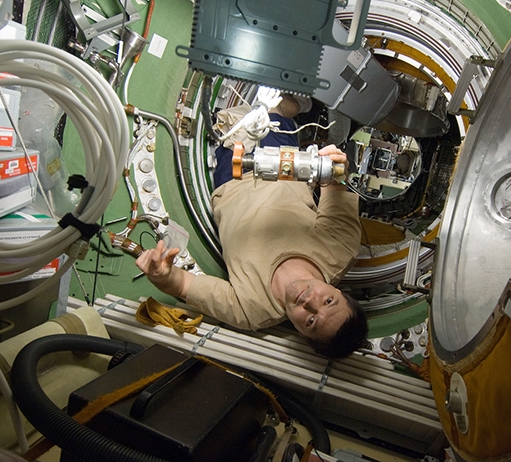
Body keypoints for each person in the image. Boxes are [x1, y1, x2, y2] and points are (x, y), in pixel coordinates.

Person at [136, 99, 367, 359]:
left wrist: (163, 276)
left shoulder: (251, 311)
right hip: (284, 167)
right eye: (328, 301)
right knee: (280, 112)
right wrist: (336, 166)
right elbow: (334, 183)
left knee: (231, 122)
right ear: (339, 292)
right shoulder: (342, 248)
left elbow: (182, 286)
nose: (309, 301)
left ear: (301, 332)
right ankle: (296, 105)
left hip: (231, 182)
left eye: (311, 320)